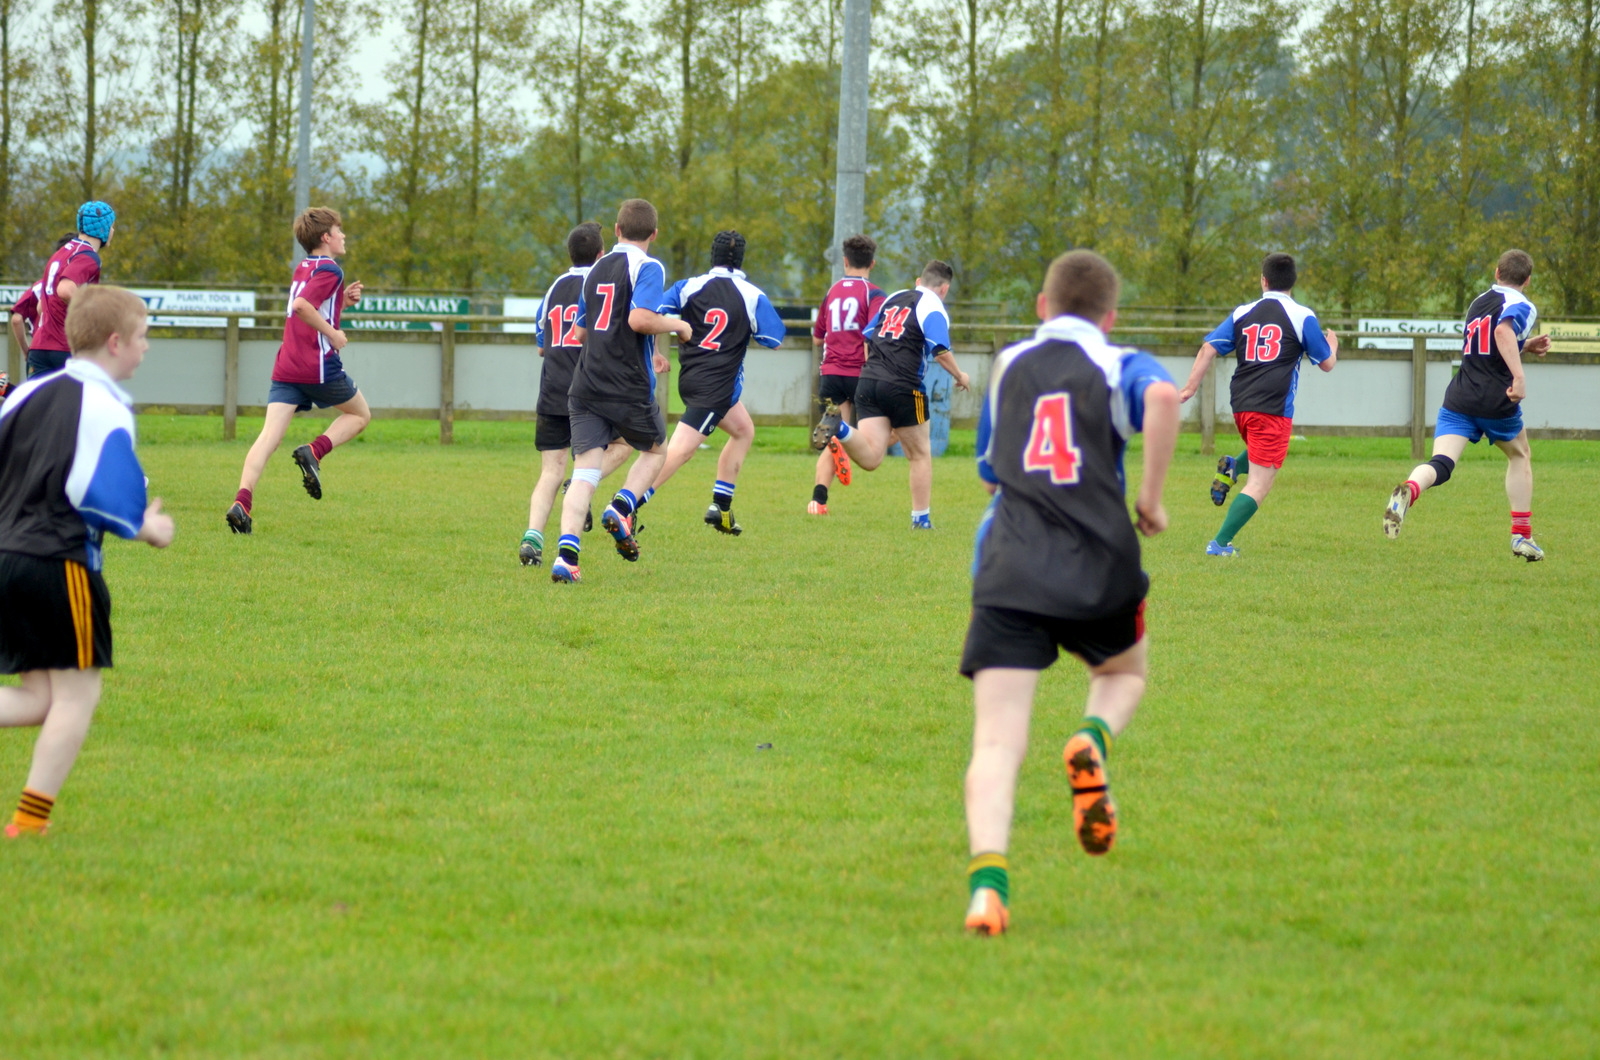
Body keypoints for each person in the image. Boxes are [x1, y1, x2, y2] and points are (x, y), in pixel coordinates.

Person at [960, 250, 1179, 936]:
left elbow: (991, 473)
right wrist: (1150, 499)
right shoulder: (1118, 363)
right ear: (1110, 317)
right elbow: (1164, 399)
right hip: (1100, 562)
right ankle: (1090, 737)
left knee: (996, 743)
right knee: (1123, 672)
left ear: (1041, 306)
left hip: (1011, 563)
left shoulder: (1009, 364)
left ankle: (987, 891)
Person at [0, 286, 175, 837]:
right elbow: (97, 493)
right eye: (143, 337)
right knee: (78, 696)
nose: (146, 348)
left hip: (6, 558)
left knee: (39, 699)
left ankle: (30, 820)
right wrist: (149, 527)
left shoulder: (24, 394)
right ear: (116, 342)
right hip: (60, 564)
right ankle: (30, 822)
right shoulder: (107, 405)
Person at [549, 198, 691, 583]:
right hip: (627, 385)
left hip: (586, 384)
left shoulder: (595, 270)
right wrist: (678, 325)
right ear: (654, 234)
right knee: (656, 450)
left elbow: (579, 332)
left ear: (616, 230)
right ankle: (622, 506)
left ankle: (566, 559)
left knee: (584, 473)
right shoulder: (648, 266)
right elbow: (640, 319)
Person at [1383, 249, 1552, 559]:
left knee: (1441, 464)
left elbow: (1487, 345)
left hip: (1459, 397)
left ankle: (1410, 490)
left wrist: (1525, 345)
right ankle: (1521, 536)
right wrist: (1519, 376)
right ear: (1527, 280)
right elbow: (1502, 331)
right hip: (1496, 399)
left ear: (1497, 273)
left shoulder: (1478, 302)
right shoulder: (1523, 305)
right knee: (1520, 455)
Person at [1176, 253, 1338, 556]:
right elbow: (1327, 363)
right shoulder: (1302, 315)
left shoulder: (1242, 312)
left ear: (1264, 280)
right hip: (1272, 407)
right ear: (1293, 282)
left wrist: (1188, 388)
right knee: (1260, 484)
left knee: (1263, 450)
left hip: (1240, 403)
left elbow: (1209, 347)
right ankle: (1219, 544)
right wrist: (1332, 345)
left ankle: (1233, 466)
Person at [631, 229, 785, 535]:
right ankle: (628, 504)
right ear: (741, 259)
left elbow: (651, 314)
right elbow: (774, 339)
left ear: (712, 256)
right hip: (716, 387)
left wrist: (658, 351)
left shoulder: (687, 286)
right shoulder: (752, 295)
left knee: (743, 430)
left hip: (692, 379)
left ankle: (721, 507)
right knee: (679, 452)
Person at [226, 207, 369, 534]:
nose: (343, 235)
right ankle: (313, 451)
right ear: (326, 237)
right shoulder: (332, 269)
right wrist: (334, 334)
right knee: (360, 414)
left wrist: (341, 301)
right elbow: (303, 306)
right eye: (339, 230)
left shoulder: (304, 267)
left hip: (287, 365)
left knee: (268, 438)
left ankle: (241, 503)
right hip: (317, 366)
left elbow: (311, 305)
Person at [809, 260, 971, 529]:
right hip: (903, 385)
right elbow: (940, 350)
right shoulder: (933, 306)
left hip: (868, 380)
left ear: (918, 281)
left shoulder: (893, 297)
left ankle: (841, 428)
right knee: (920, 454)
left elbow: (867, 337)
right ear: (944, 289)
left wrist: (872, 371)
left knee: (872, 457)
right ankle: (921, 521)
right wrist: (960, 375)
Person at [519, 222, 634, 566]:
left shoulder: (554, 286)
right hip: (589, 390)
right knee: (625, 444)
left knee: (549, 472)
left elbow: (542, 346)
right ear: (601, 254)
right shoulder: (601, 284)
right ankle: (579, 484)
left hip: (552, 389)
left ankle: (532, 539)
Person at [808, 235, 885, 514]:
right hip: (860, 374)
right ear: (872, 263)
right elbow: (873, 335)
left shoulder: (832, 292)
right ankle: (846, 440)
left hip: (830, 373)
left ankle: (818, 500)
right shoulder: (874, 294)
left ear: (844, 261)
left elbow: (818, 338)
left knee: (834, 434)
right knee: (891, 429)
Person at [20, 204, 115, 380]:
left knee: (39, 399)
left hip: (39, 348)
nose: (113, 231)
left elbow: (41, 307)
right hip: (65, 348)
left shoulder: (60, 253)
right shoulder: (88, 256)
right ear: (103, 228)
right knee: (82, 398)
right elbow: (65, 290)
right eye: (111, 226)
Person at [1, 234, 78, 401]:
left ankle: (7, 389)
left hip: (38, 348)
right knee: (68, 401)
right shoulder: (73, 286)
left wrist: (26, 350)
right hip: (64, 347)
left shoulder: (40, 285)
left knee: (36, 401)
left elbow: (16, 319)